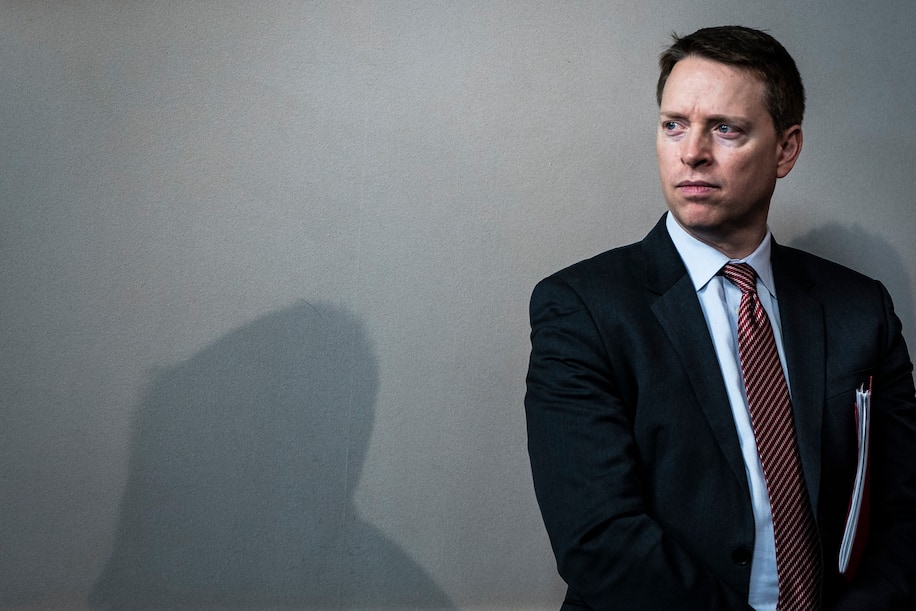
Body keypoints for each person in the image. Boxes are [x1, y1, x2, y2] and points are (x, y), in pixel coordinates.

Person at [525, 25, 916, 610]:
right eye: (673, 125)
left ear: (786, 149)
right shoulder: (583, 308)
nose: (692, 152)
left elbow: (905, 511)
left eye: (725, 129)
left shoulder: (861, 309)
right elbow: (598, 538)